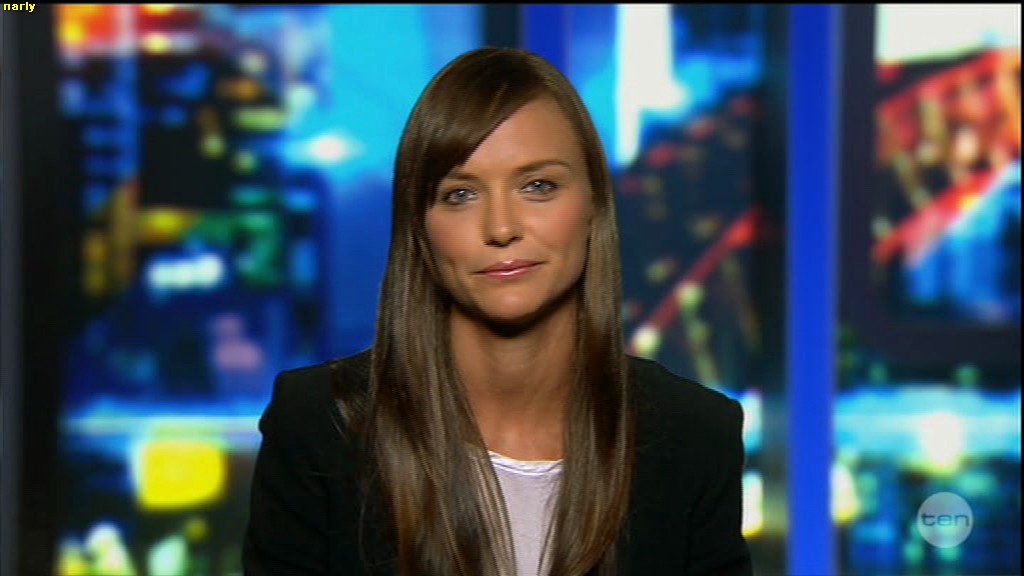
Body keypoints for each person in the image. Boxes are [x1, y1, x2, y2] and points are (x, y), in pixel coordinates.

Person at [243, 46, 751, 576]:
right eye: (460, 194)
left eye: (538, 186)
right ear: (420, 226)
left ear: (593, 205)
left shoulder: (695, 435)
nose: (501, 227)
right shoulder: (320, 428)